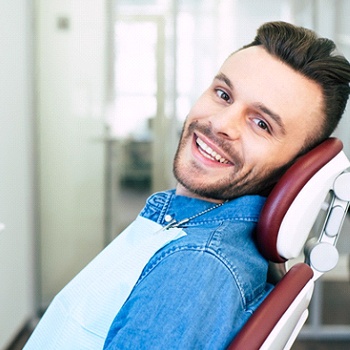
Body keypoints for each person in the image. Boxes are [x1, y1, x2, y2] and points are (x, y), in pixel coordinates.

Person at [25, 21, 350, 350]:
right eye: (223, 94)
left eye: (261, 124)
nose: (220, 124)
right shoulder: (188, 226)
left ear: (295, 168)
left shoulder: (196, 264)